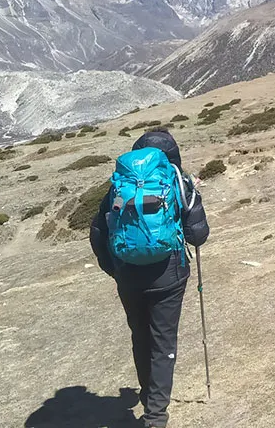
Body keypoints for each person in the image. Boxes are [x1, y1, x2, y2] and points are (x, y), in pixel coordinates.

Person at [90, 131, 210, 428]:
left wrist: (115, 269)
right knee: (163, 341)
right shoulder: (179, 181)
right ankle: (155, 417)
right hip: (169, 277)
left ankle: (148, 395)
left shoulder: (119, 185)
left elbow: (97, 232)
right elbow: (198, 235)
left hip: (128, 277)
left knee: (140, 336)